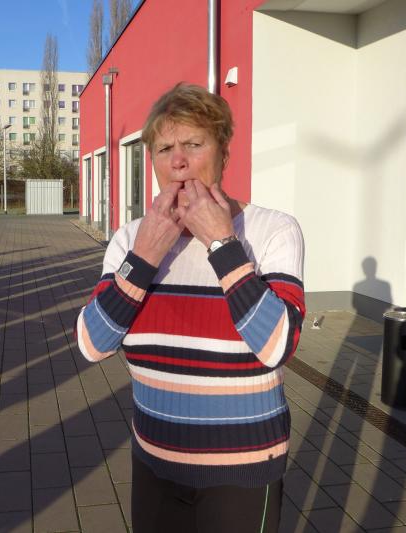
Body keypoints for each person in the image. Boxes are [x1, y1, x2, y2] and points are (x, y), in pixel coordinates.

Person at [75, 83, 305, 533]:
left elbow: (278, 346)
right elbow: (91, 344)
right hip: (155, 460)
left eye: (193, 144)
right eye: (164, 149)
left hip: (242, 468)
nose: (177, 161)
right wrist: (145, 256)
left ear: (224, 153)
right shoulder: (130, 239)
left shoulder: (272, 231)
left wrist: (222, 244)